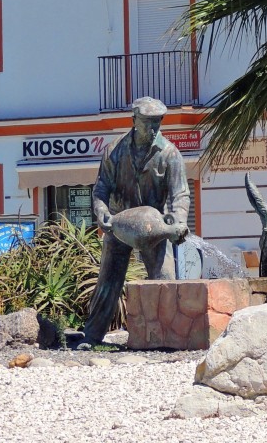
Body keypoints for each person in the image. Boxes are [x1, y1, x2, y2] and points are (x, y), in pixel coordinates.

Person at [78, 96, 191, 348]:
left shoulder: (170, 154)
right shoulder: (114, 150)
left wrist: (178, 221)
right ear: (134, 120)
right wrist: (102, 211)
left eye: (157, 123)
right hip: (119, 225)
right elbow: (100, 189)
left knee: (164, 277)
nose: (152, 129)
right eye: (147, 123)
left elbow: (180, 195)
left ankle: (168, 337)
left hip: (154, 226)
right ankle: (92, 336)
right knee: (108, 280)